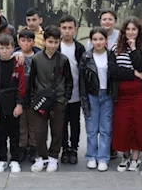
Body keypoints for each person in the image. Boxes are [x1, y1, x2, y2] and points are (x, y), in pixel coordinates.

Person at [112, 17, 142, 172]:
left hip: (138, 94)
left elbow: (141, 65)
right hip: (121, 94)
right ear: (123, 31)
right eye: (128, 29)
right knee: (123, 126)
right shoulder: (115, 49)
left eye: (134, 29)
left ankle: (135, 159)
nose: (131, 32)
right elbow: (114, 71)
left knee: (138, 126)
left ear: (139, 31)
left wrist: (132, 50)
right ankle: (125, 157)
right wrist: (133, 73)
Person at [29, 26, 72, 173]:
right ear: (44, 41)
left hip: (58, 100)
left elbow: (69, 81)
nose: (53, 45)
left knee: (57, 131)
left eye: (56, 42)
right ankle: (42, 157)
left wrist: (65, 99)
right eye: (50, 42)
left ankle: (53, 157)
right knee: (39, 131)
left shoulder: (63, 59)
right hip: (40, 100)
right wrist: (32, 99)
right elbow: (32, 80)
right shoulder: (36, 59)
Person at [0, 34, 26, 173]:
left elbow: (22, 85)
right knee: (0, 134)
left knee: (15, 134)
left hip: (14, 103)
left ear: (13, 48)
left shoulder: (18, 63)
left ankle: (14, 159)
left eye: (7, 48)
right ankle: (2, 159)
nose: (4, 51)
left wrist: (20, 104)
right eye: (1, 48)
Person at [80, 27, 118, 171]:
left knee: (106, 128)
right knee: (91, 128)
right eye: (95, 39)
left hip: (107, 95)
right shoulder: (86, 57)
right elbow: (82, 81)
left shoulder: (111, 55)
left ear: (106, 41)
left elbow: (115, 78)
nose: (98, 42)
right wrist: (84, 99)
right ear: (91, 41)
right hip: (92, 95)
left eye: (101, 39)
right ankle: (91, 156)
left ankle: (103, 157)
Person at [58, 15, 85, 165]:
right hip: (61, 93)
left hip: (76, 92)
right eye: (64, 28)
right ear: (60, 29)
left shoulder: (79, 48)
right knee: (61, 123)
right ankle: (65, 148)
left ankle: (74, 149)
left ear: (75, 29)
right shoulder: (56, 46)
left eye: (70, 28)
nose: (67, 31)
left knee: (75, 122)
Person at [16, 29, 40, 162]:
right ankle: (22, 147)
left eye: (29, 40)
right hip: (19, 95)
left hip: (34, 95)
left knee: (33, 124)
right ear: (19, 41)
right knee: (21, 124)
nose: (26, 43)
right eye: (23, 40)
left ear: (34, 42)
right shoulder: (14, 55)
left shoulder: (39, 56)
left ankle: (33, 148)